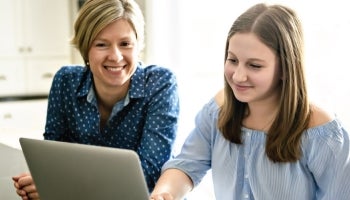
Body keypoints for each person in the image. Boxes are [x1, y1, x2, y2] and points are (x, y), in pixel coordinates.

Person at [150, 3, 350, 200]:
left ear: (286, 68)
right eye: (233, 60)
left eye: (254, 65)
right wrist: (164, 193)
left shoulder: (322, 133)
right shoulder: (218, 110)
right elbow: (187, 164)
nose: (238, 76)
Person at [12, 0, 180, 199]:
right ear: (85, 49)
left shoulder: (160, 82)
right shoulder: (66, 81)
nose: (116, 57)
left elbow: (149, 172)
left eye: (125, 44)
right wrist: (42, 182)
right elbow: (52, 157)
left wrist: (61, 184)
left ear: (138, 46)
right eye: (101, 44)